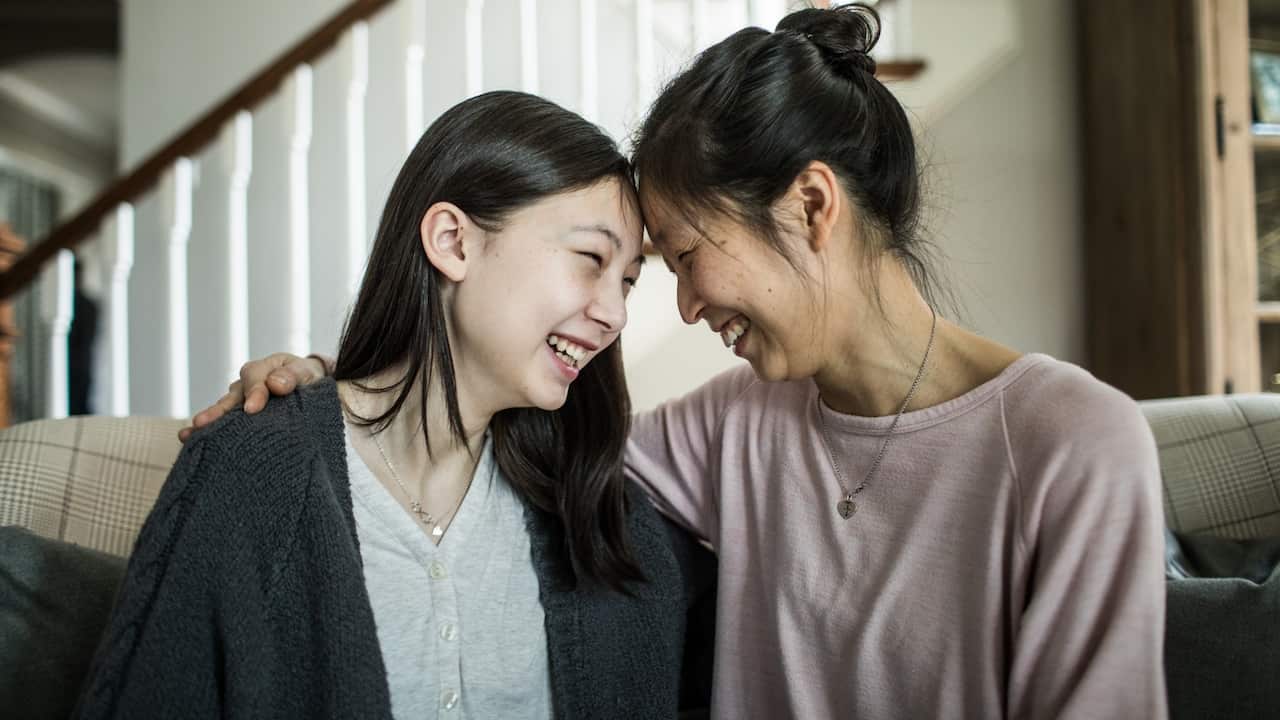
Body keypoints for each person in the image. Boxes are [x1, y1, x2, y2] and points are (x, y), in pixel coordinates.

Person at [189, 4, 1168, 718]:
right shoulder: (726, 431)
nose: (683, 307)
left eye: (685, 258)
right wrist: (331, 385)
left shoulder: (1071, 445)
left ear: (812, 207)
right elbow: (479, 437)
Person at [77, 91, 714, 720]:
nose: (615, 312)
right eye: (590, 259)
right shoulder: (252, 471)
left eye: (627, 280)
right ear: (452, 242)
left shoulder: (601, 507)